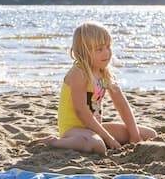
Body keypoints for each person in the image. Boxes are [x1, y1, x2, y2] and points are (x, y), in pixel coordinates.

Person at [35, 22, 156, 154]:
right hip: (74, 130)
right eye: (99, 49)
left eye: (108, 47)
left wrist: (134, 135)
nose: (106, 53)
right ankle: (53, 142)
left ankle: (103, 138)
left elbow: (122, 105)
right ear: (84, 52)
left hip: (94, 129)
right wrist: (108, 138)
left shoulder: (103, 73)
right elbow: (81, 112)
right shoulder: (79, 73)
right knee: (97, 145)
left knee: (149, 134)